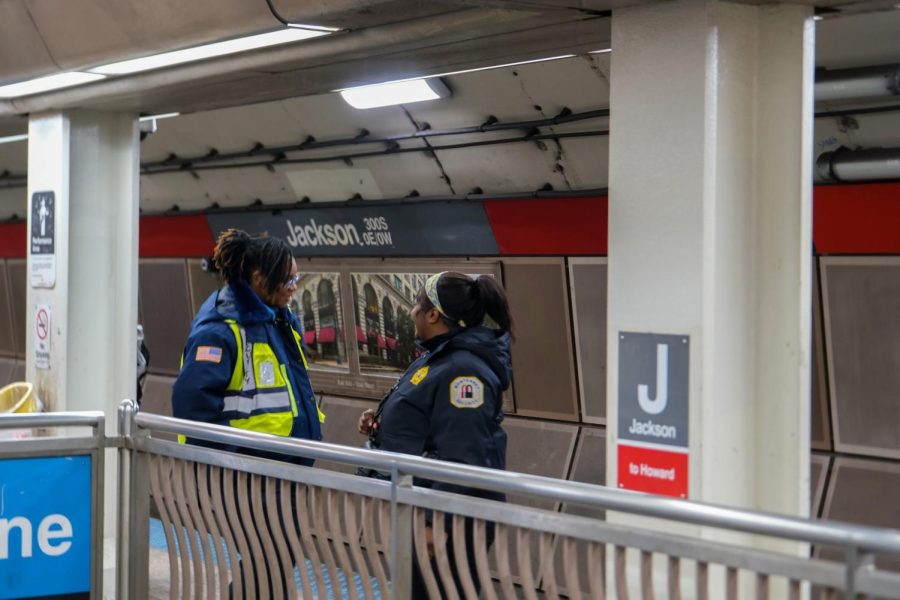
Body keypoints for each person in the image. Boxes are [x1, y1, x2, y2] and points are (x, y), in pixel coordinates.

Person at [357, 271, 512, 597]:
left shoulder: (464, 371)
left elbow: (464, 454)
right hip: (422, 506)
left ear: (433, 314)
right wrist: (382, 425)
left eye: (416, 304)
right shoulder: (438, 358)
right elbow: (427, 421)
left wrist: (435, 523)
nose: (411, 311)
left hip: (449, 523)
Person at [172, 228, 324, 463]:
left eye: (296, 278)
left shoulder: (278, 321)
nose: (294, 286)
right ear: (258, 279)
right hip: (244, 481)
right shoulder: (219, 331)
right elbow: (193, 412)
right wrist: (236, 463)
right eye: (287, 280)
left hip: (281, 474)